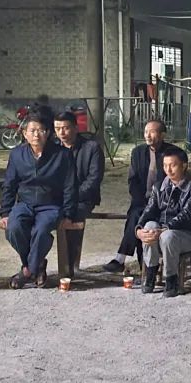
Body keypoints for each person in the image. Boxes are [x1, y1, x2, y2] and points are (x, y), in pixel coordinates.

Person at [0, 114, 79, 289]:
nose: (36, 135)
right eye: (32, 131)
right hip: (25, 203)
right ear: (24, 134)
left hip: (50, 204)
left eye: (41, 130)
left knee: (41, 230)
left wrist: (68, 213)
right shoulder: (17, 154)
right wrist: (5, 212)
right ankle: (38, 264)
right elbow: (9, 184)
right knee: (13, 228)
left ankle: (27, 271)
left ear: (48, 133)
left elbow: (70, 186)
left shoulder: (62, 154)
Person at [103, 120, 182, 273]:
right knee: (137, 213)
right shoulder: (138, 152)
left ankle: (122, 259)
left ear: (162, 135)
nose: (148, 135)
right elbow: (132, 180)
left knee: (137, 216)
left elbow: (176, 180)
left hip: (164, 203)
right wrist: (139, 199)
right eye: (146, 132)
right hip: (141, 200)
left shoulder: (173, 153)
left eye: (152, 132)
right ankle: (141, 266)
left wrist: (155, 201)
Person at [135, 148, 191, 298]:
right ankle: (150, 273)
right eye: (165, 165)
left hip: (185, 234)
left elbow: (187, 215)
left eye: (173, 165)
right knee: (149, 227)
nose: (168, 169)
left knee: (168, 236)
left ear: (184, 165)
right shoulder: (159, 186)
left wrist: (165, 229)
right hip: (160, 232)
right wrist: (139, 229)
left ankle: (171, 279)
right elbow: (149, 210)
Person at [54, 111, 104, 275]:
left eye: (66, 128)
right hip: (57, 197)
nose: (61, 132)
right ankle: (36, 266)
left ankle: (68, 267)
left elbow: (93, 179)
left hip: (82, 198)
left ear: (76, 128)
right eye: (57, 129)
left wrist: (71, 197)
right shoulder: (53, 148)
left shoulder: (92, 148)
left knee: (74, 215)